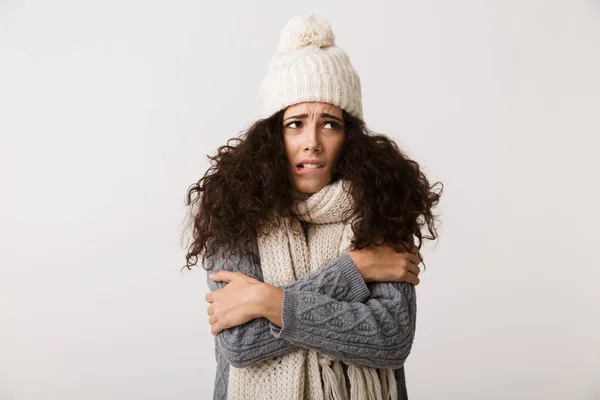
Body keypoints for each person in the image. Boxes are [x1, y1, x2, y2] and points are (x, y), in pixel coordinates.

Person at [184, 14, 443, 400]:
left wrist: (268, 301)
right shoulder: (235, 213)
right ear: (272, 135)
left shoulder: (381, 210)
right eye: (295, 123)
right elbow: (242, 345)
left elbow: (389, 338)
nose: (312, 142)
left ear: (350, 137)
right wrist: (354, 269)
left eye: (330, 124)